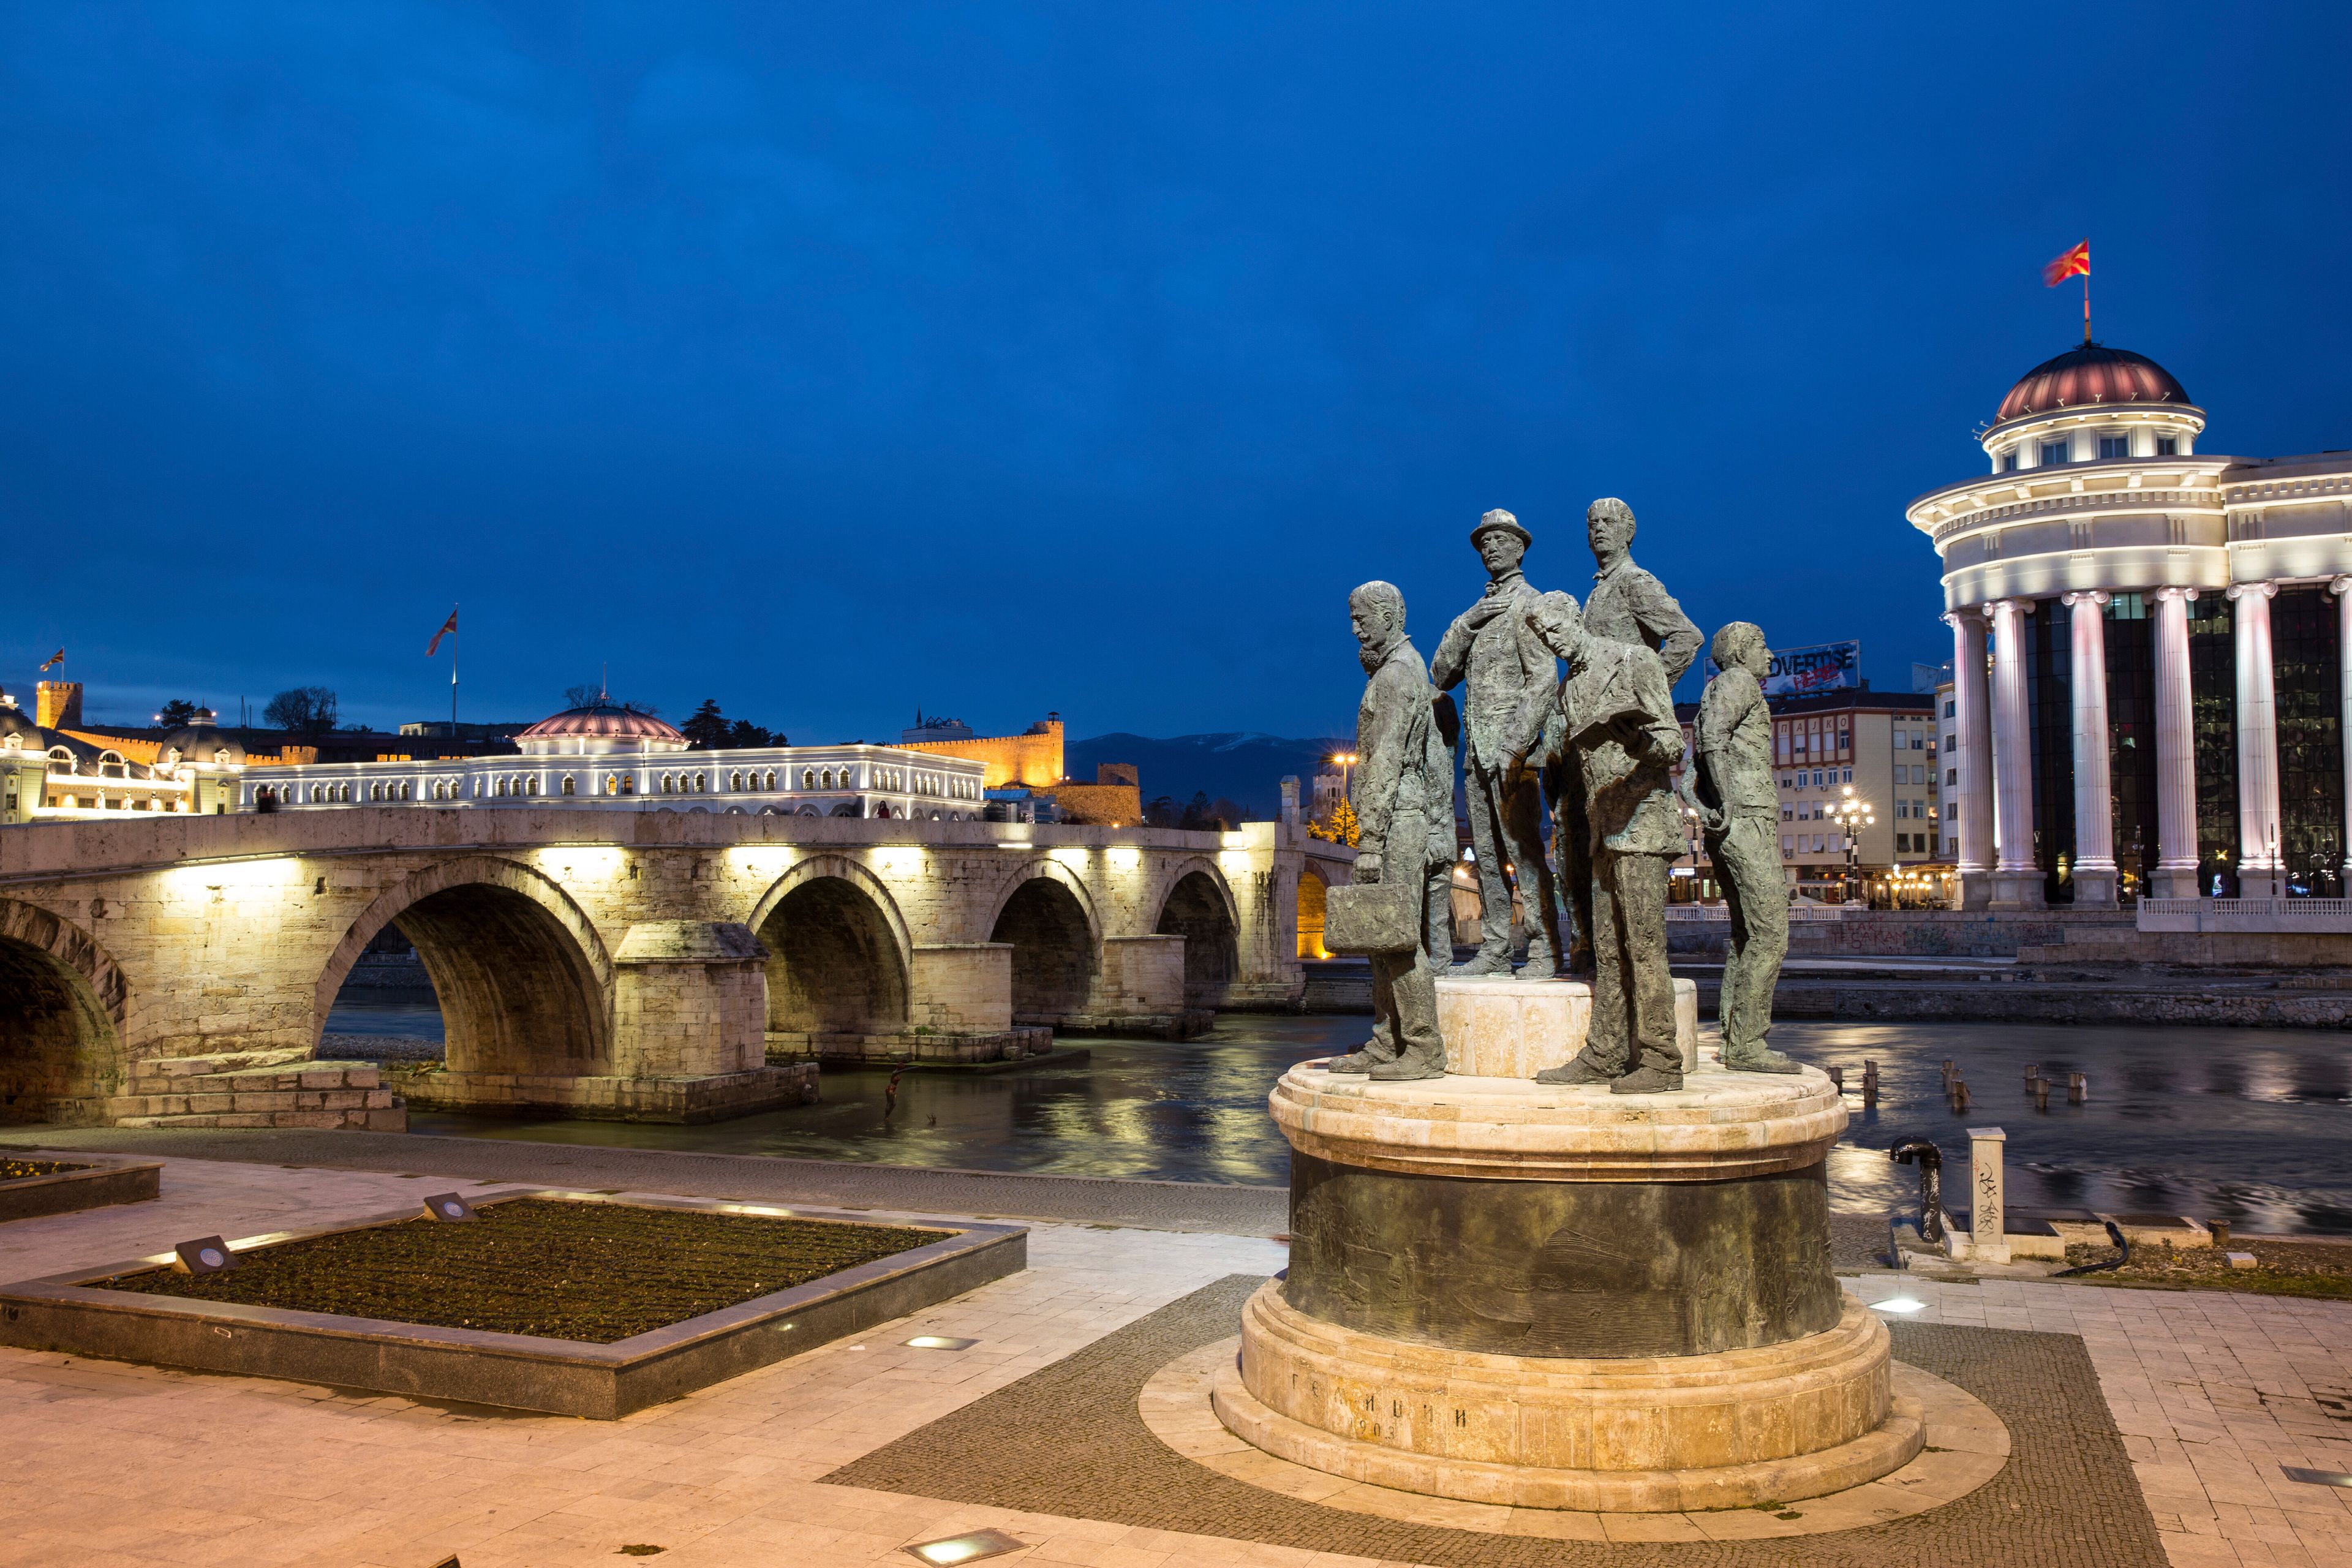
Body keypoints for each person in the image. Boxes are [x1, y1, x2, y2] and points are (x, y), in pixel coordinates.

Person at [1517, 591, 1687, 1093]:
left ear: (1575, 618)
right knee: (1609, 949)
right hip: (1600, 829)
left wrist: (1636, 740)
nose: (1553, 641)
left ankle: (1661, 1058)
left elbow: (1673, 741)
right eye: (1544, 638)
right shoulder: (1569, 689)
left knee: (1644, 946)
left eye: (1556, 630)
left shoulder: (1635, 661)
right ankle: (1607, 1051)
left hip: (1641, 823)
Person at [1550, 497, 1705, 976]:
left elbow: (1686, 637)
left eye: (1609, 522)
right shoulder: (1598, 591)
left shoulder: (1635, 583)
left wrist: (1645, 694)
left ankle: (1597, 955)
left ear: (1629, 531)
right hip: (1590, 746)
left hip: (1622, 742)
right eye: (1592, 523)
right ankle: (1588, 947)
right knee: (1580, 845)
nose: (1599, 530)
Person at [1431, 510, 1562, 978]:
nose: (1490, 548)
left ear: (1520, 547)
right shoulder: (1479, 612)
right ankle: (1494, 949)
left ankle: (1545, 949)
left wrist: (1515, 745)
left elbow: (1544, 680)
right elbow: (1441, 674)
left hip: (1515, 757)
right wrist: (1467, 623)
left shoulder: (1532, 604)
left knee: (1525, 853)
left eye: (1499, 540)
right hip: (1476, 757)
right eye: (1484, 542)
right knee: (1487, 857)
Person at [1327, 580, 1447, 1081]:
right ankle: (1386, 1040)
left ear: (1391, 617)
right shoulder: (1399, 670)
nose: (1355, 627)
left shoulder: (1397, 676)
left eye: (1362, 618)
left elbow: (1386, 761)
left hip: (1398, 820)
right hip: (1398, 817)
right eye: (1352, 618)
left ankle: (1422, 1047)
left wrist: (1370, 841)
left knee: (1397, 937)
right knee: (1383, 936)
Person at [1680, 622, 1796, 1072]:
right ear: (1743, 651)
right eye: (1764, 646)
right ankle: (1748, 1044)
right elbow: (1710, 743)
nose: (1770, 655)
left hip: (1733, 817)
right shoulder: (1740, 681)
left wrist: (1698, 801)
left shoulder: (1716, 690)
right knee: (1770, 934)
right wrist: (1727, 800)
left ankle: (1736, 1040)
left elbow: (1698, 751)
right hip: (1747, 815)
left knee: (1748, 934)